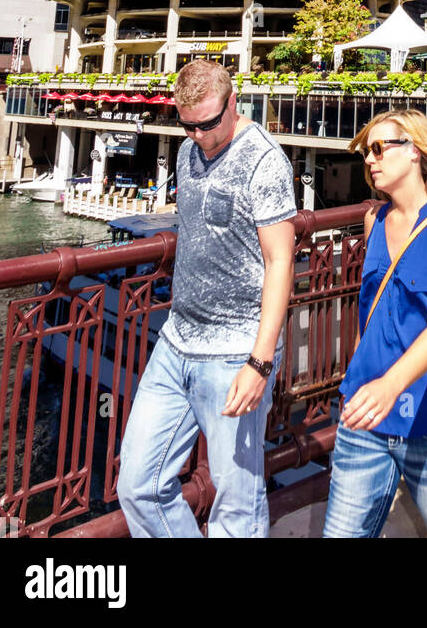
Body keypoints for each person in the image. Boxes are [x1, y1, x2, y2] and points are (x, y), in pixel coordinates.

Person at [117, 60, 296, 538]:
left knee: (237, 505)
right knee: (137, 485)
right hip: (175, 342)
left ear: (233, 103)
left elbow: (281, 262)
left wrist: (259, 363)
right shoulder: (185, 153)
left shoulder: (265, 162)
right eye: (188, 125)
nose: (199, 135)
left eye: (209, 123)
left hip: (236, 351)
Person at [323, 109, 427, 539]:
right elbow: (371, 314)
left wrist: (389, 385)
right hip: (366, 415)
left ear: (414, 152)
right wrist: (356, 380)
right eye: (366, 152)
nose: (370, 160)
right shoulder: (373, 220)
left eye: (379, 148)